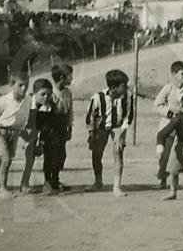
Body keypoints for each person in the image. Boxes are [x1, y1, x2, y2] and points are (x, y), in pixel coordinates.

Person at [85, 68, 134, 196]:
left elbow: (129, 115)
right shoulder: (97, 98)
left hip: (118, 127)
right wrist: (91, 133)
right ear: (113, 87)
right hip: (101, 128)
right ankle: (98, 181)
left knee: (118, 152)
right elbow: (90, 116)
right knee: (97, 154)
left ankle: (117, 187)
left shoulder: (128, 95)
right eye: (124, 86)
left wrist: (122, 133)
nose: (126, 88)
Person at [154, 60, 183, 189]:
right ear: (174, 74)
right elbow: (157, 105)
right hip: (167, 125)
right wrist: (170, 113)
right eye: (182, 74)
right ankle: (163, 179)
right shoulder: (168, 88)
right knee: (164, 154)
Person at [26, 79, 69, 195]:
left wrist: (43, 142)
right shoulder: (29, 105)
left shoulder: (52, 106)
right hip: (34, 133)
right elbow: (31, 126)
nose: (46, 97)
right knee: (33, 158)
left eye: (49, 94)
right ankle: (35, 183)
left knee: (56, 157)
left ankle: (53, 180)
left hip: (52, 134)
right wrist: (33, 142)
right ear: (35, 94)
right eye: (43, 94)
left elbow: (52, 124)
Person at [50, 63, 76, 188]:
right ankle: (48, 182)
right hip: (50, 128)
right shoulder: (50, 93)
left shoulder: (68, 93)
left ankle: (55, 180)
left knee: (61, 155)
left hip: (61, 128)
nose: (72, 78)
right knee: (51, 155)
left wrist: (69, 127)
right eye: (70, 76)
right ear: (61, 77)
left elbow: (70, 110)